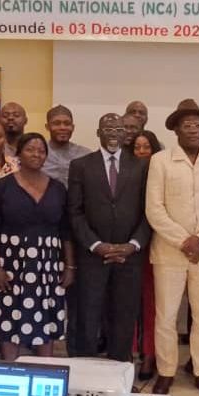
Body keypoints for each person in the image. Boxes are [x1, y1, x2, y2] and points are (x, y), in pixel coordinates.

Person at [145, 99, 199, 396]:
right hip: (169, 253)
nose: (194, 130)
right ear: (176, 130)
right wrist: (185, 240)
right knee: (166, 316)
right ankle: (166, 372)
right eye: (187, 125)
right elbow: (154, 208)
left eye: (198, 125)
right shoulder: (160, 161)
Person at [0, 132, 76, 361]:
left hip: (48, 264)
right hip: (10, 262)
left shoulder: (57, 188)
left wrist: (70, 266)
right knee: (9, 315)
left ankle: (44, 366)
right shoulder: (2, 186)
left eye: (41, 151)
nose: (36, 154)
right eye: (30, 150)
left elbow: (66, 230)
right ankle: (10, 367)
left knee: (46, 315)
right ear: (19, 154)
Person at [68, 113, 151, 362]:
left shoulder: (141, 166)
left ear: (126, 135)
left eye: (118, 130)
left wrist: (133, 245)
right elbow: (75, 211)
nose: (113, 134)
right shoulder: (81, 165)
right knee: (88, 316)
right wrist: (95, 245)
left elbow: (149, 211)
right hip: (92, 256)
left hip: (129, 257)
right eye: (108, 129)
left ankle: (120, 368)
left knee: (124, 317)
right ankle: (84, 368)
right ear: (98, 133)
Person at [129, 130, 164, 379]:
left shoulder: (163, 173)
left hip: (157, 246)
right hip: (130, 247)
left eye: (146, 147)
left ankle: (150, 355)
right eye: (137, 147)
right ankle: (130, 353)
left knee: (153, 304)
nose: (142, 151)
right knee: (128, 304)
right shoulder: (125, 174)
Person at [42, 105, 92, 186]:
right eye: (56, 123)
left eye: (67, 124)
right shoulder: (39, 153)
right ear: (47, 127)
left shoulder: (85, 154)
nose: (62, 127)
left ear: (73, 127)